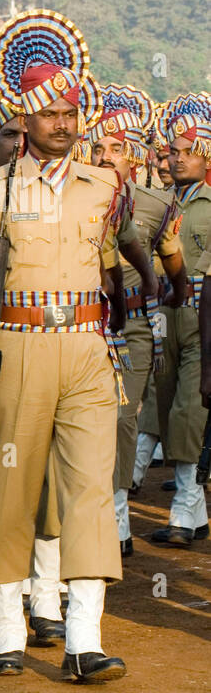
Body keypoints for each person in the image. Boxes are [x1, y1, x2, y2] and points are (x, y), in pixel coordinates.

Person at [0, 10, 126, 682]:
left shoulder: (105, 186)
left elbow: (112, 268)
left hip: (87, 347)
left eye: (70, 110)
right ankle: (5, 631)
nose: (62, 121)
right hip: (19, 346)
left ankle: (84, 639)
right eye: (49, 112)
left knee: (89, 491)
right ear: (23, 118)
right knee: (7, 488)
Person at [87, 85, 184, 556]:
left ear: (136, 156)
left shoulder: (156, 205)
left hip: (133, 330)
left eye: (117, 149)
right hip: (79, 324)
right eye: (99, 147)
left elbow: (174, 266)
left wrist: (166, 296)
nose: (107, 157)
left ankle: (118, 516)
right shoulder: (73, 197)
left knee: (123, 417)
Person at [153, 92, 211, 546]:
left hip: (202, 319)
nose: (175, 159)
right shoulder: (160, 202)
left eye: (186, 152)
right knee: (167, 408)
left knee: (189, 411)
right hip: (165, 317)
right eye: (173, 151)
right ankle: (197, 511)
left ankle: (181, 509)